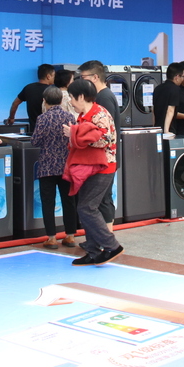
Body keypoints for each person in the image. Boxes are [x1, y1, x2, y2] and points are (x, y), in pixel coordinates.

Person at [63, 78, 123, 265]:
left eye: (72, 97)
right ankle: (93, 251)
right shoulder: (85, 115)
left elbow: (103, 139)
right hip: (90, 167)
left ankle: (111, 245)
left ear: (81, 97)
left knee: (86, 207)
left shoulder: (99, 114)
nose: (71, 102)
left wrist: (74, 133)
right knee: (86, 207)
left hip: (102, 167)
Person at [31, 85, 78, 249]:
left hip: (47, 167)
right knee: (69, 201)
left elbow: (35, 141)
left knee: (48, 202)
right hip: (66, 166)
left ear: (44, 101)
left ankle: (51, 238)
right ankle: (70, 236)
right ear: (61, 99)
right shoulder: (70, 117)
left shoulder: (42, 118)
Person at [78, 60, 119, 229]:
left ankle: (107, 238)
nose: (81, 81)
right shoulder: (103, 95)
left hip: (105, 159)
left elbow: (104, 134)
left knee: (103, 200)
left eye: (83, 77)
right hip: (103, 158)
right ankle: (100, 238)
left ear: (95, 77)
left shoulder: (103, 98)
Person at [5, 64, 55, 132]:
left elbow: (15, 103)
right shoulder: (52, 91)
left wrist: (11, 118)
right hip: (49, 130)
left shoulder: (28, 88)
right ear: (48, 76)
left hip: (33, 130)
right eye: (53, 75)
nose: (54, 78)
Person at [152, 62, 184, 136]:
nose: (182, 79)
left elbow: (153, 110)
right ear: (177, 77)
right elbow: (170, 110)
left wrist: (154, 127)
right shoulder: (175, 89)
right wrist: (166, 131)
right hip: (169, 128)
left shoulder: (157, 88)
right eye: (182, 76)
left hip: (157, 128)